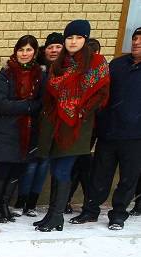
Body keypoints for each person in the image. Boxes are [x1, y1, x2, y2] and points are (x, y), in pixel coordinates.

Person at [33, 20, 109, 232]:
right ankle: (52, 214)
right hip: (56, 124)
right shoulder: (60, 63)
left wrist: (80, 110)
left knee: (63, 169)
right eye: (70, 37)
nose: (73, 41)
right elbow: (52, 92)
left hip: (77, 126)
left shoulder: (96, 62)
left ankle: (57, 215)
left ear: (85, 39)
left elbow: (101, 94)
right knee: (56, 168)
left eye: (78, 37)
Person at [70, 27, 141, 230]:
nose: (136, 42)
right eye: (134, 38)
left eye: (140, 40)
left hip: (136, 136)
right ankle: (90, 210)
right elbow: (100, 92)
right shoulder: (117, 65)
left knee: (128, 177)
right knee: (99, 174)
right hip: (109, 131)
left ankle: (118, 214)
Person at [0, 35, 42, 223]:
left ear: (35, 52)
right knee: (4, 169)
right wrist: (27, 106)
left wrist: (29, 106)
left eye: (29, 50)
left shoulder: (38, 75)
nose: (24, 53)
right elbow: (0, 103)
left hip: (27, 132)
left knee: (17, 170)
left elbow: (42, 102)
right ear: (16, 51)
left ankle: (4, 205)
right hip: (6, 131)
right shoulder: (5, 74)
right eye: (21, 49)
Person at [16, 32, 63, 217]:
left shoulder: (67, 68)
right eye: (50, 47)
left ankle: (33, 203)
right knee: (33, 163)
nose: (54, 50)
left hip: (59, 123)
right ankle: (22, 201)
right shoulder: (39, 70)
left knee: (45, 164)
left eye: (58, 47)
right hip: (37, 122)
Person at [65, 37, 102, 214]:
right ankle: (70, 200)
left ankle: (88, 203)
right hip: (75, 126)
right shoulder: (74, 72)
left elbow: (101, 100)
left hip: (92, 128)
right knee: (77, 165)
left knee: (83, 165)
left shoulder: (101, 74)